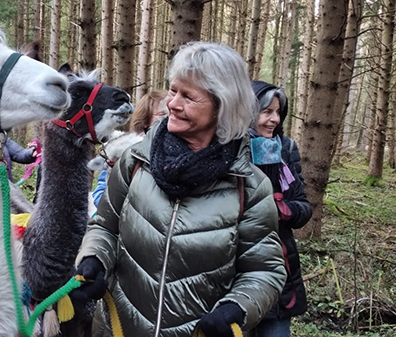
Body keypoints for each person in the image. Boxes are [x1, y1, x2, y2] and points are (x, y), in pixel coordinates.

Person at [71, 42, 286, 337]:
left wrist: (235, 308)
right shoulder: (135, 161)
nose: (172, 103)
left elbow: (264, 270)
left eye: (188, 96)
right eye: (173, 91)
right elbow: (105, 227)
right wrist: (94, 258)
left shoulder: (248, 186)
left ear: (222, 105)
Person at [248, 81, 312, 337]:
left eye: (278, 112)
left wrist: (277, 209)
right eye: (266, 112)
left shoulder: (286, 148)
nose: (274, 119)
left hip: (279, 269)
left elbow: (303, 208)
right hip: (235, 273)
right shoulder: (227, 148)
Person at [91, 90, 167, 206]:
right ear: (146, 121)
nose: (169, 119)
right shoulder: (126, 151)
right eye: (162, 115)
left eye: (171, 113)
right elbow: (100, 196)